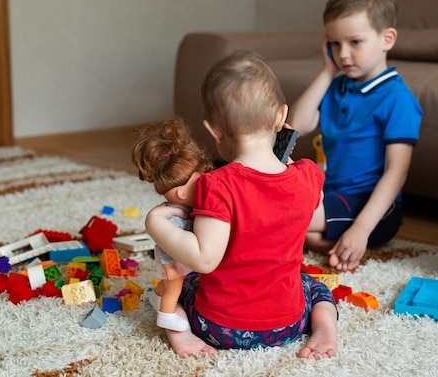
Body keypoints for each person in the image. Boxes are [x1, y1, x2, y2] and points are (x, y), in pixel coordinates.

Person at [145, 50, 338, 359]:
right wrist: (286, 165)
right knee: (314, 288)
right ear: (280, 116)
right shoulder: (307, 176)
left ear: (213, 130)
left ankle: (182, 336)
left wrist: (154, 224)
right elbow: (315, 219)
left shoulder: (217, 185)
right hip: (287, 324)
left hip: (220, 327)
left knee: (173, 288)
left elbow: (204, 260)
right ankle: (324, 326)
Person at [288, 0, 423, 272]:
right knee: (291, 208)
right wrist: (327, 71)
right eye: (335, 44)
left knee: (288, 216)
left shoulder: (398, 99)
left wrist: (361, 228)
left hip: (374, 208)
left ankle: (345, 238)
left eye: (355, 42)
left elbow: (396, 172)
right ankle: (331, 241)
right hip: (333, 194)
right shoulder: (337, 87)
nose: (344, 54)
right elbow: (295, 125)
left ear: (387, 39)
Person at [131, 117, 214, 332]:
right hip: (172, 260)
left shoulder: (182, 208)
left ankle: (155, 298)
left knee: (168, 286)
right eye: (200, 181)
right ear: (182, 193)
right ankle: (167, 316)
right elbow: (167, 243)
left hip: (179, 257)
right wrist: (168, 266)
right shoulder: (175, 216)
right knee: (174, 288)